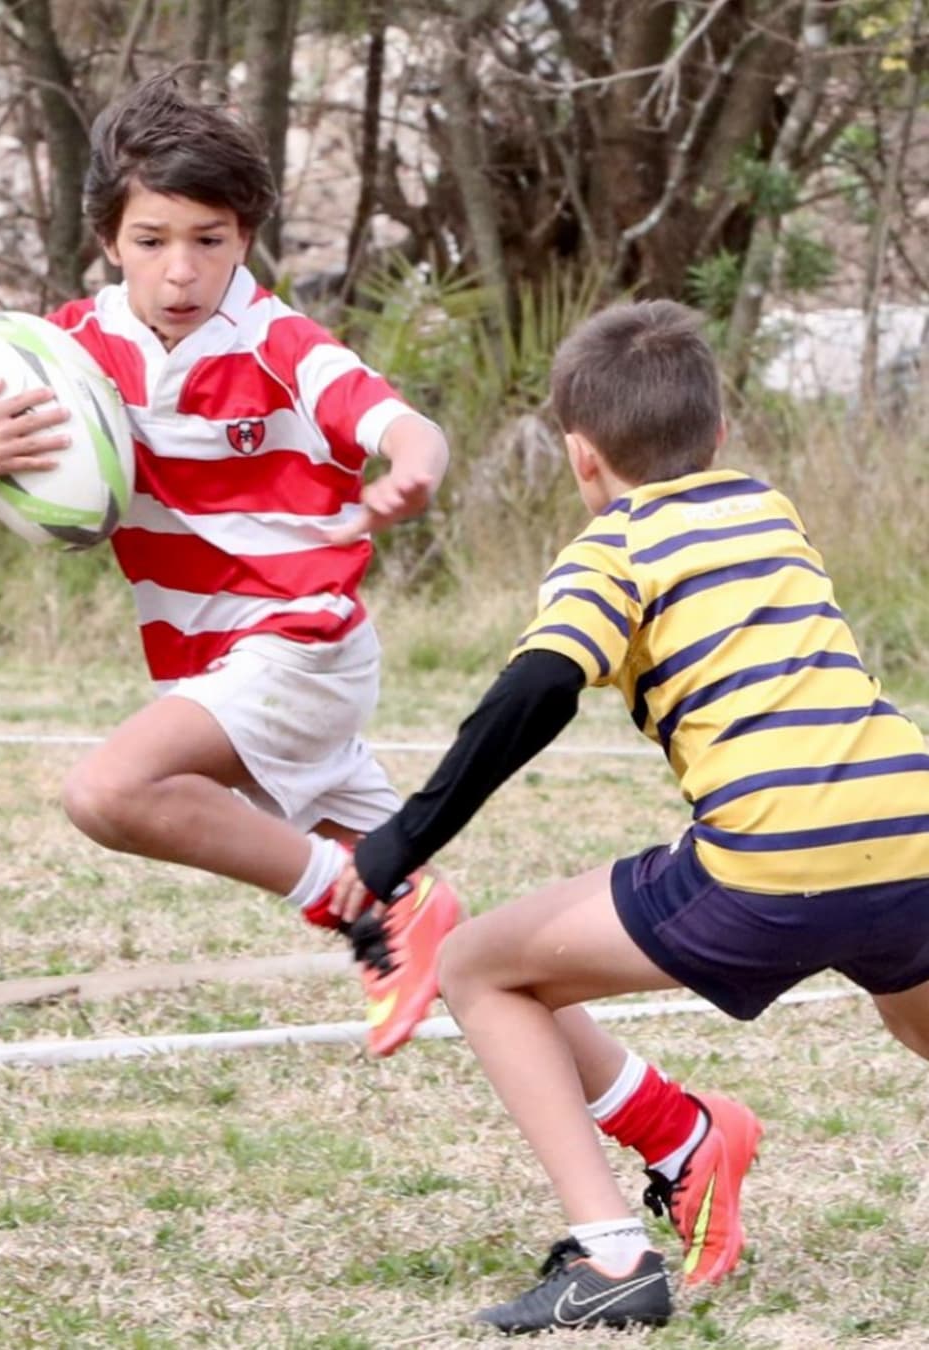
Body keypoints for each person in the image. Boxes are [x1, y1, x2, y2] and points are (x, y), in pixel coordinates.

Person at [331, 298, 929, 1333]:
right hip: (912, 823)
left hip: (771, 859)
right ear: (719, 437)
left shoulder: (610, 552)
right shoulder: (767, 509)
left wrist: (400, 843)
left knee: (479, 963)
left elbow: (534, 691)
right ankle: (689, 1152)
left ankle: (611, 1261)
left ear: (579, 456)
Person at [0, 72, 461, 1058]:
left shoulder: (282, 345)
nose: (180, 270)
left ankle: (359, 906)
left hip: (300, 649)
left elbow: (404, 425)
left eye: (209, 240)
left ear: (244, 236)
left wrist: (411, 472)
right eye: (152, 241)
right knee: (472, 965)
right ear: (107, 241)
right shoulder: (66, 359)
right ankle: (678, 1128)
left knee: (107, 792)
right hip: (210, 672)